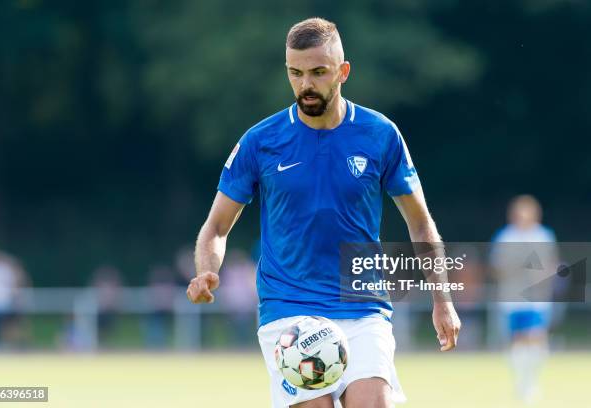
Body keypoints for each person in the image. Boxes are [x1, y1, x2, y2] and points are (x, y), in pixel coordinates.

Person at [187, 17, 460, 408]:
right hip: (288, 308)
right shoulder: (260, 141)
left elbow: (420, 223)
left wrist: (442, 299)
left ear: (343, 72)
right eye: (295, 73)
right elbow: (216, 227)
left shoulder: (380, 134)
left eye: (318, 72)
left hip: (362, 304)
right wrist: (205, 270)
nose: (305, 85)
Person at [490, 195, 558, 404]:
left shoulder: (543, 236)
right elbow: (496, 267)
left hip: (536, 298)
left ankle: (531, 381)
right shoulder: (505, 237)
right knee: (517, 340)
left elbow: (551, 265)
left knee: (536, 336)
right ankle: (521, 381)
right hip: (512, 298)